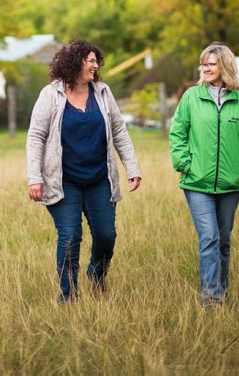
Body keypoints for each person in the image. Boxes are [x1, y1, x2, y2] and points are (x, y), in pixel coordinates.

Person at [27, 39, 141, 303]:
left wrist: (132, 168)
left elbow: (119, 131)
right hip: (63, 180)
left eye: (95, 61)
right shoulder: (51, 95)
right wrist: (35, 178)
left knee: (106, 236)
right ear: (74, 62)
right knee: (70, 236)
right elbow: (36, 136)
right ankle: (69, 296)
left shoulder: (102, 92)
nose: (94, 65)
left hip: (99, 178)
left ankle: (97, 273)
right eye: (89, 60)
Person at [169, 42, 239, 309]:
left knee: (223, 240)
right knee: (209, 237)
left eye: (211, 63)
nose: (205, 68)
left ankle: (222, 290)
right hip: (197, 183)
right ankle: (211, 300)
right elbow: (177, 134)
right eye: (204, 64)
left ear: (225, 66)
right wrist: (185, 164)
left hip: (231, 185)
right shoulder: (191, 98)